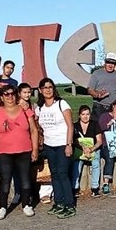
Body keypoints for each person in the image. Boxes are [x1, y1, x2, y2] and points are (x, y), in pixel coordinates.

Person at [0, 84, 40, 220]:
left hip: (24, 149)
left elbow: (33, 130)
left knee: (26, 179)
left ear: (16, 94)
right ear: (1, 97)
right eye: (6, 94)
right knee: (5, 180)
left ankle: (26, 204)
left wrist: (35, 149)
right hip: (4, 151)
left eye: (12, 93)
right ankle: (2, 207)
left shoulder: (25, 109)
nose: (9, 96)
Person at [36, 78, 76, 218]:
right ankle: (58, 202)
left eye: (50, 87)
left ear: (54, 89)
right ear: (40, 90)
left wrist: (69, 144)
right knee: (54, 174)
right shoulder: (39, 108)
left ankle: (69, 204)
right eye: (44, 87)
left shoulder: (61, 104)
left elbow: (70, 125)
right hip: (49, 145)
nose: (47, 90)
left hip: (62, 144)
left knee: (63, 174)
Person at [72, 105, 104, 197]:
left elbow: (99, 141)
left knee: (96, 163)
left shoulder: (95, 124)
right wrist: (83, 148)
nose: (85, 116)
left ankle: (95, 187)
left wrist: (91, 149)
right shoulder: (75, 126)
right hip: (80, 149)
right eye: (83, 114)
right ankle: (75, 187)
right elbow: (74, 140)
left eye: (87, 114)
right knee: (77, 164)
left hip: (93, 148)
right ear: (79, 115)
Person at [87, 52, 116, 121]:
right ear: (105, 62)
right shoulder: (96, 73)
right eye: (108, 63)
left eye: (113, 63)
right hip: (99, 106)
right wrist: (97, 95)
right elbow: (90, 89)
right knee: (97, 129)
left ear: (115, 64)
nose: (110, 65)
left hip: (113, 108)